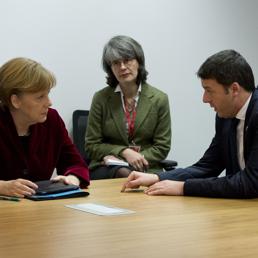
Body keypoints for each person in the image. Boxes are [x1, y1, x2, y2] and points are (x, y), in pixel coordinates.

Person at [122, 49, 258, 199]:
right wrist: (158, 177)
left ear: (234, 89)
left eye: (209, 90)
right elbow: (208, 166)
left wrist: (184, 187)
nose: (205, 99)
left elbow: (251, 182)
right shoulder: (225, 115)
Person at [0, 57, 90, 198]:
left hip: (41, 210)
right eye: (40, 97)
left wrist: (72, 178)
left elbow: (76, 163)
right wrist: (2, 187)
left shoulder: (51, 120)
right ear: (15, 100)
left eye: (48, 94)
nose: (49, 102)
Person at [85, 35, 171, 179]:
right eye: (116, 63)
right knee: (124, 174)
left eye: (127, 60)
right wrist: (124, 152)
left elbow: (162, 147)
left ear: (139, 62)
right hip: (107, 167)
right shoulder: (101, 98)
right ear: (110, 68)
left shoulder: (159, 99)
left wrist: (136, 159)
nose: (122, 67)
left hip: (147, 167)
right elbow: (91, 145)